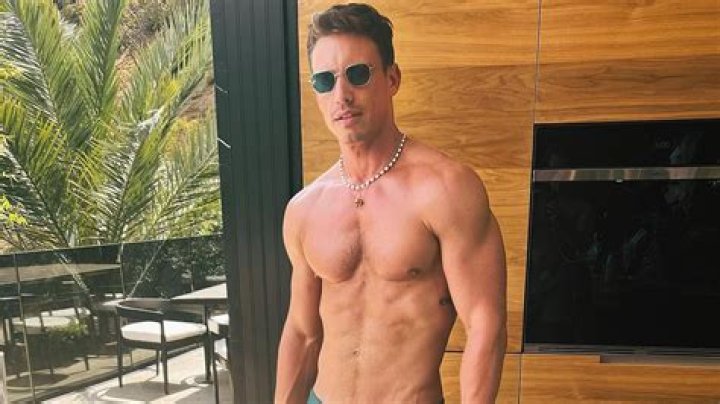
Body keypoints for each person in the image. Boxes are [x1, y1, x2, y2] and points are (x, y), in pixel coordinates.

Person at [275, 3, 507, 403]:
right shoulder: (304, 209)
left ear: (392, 78)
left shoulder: (446, 189)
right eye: (324, 81)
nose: (341, 95)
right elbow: (302, 332)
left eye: (358, 74)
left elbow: (485, 326)